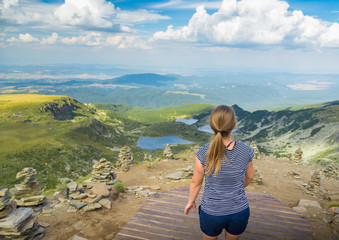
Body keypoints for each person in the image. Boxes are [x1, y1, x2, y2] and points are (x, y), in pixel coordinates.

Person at [184, 105, 254, 240]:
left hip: (211, 212)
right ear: (234, 125)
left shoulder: (204, 152)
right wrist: (237, 188)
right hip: (239, 211)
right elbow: (250, 177)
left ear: (212, 126)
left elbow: (196, 183)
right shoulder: (246, 150)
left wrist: (191, 201)